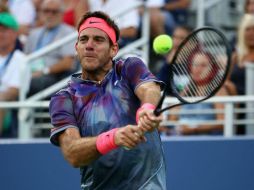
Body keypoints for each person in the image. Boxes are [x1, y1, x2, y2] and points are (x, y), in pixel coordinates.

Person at [49, 11, 166, 189]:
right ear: (76, 47)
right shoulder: (64, 98)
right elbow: (72, 152)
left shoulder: (128, 67)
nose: (89, 45)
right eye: (84, 39)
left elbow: (149, 88)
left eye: (98, 40)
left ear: (114, 49)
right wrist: (113, 138)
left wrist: (148, 108)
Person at [167, 53, 236, 136]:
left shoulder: (219, 90)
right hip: (182, 138)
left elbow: (222, 123)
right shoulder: (187, 90)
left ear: (212, 69)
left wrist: (194, 129)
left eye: (203, 65)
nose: (198, 69)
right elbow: (172, 119)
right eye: (195, 65)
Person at [24, 0, 76, 96]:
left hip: (53, 76)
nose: (50, 14)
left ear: (62, 14)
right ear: (40, 13)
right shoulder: (34, 33)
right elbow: (25, 57)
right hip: (31, 73)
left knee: (27, 83)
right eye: (46, 11)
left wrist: (44, 71)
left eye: (54, 11)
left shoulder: (69, 33)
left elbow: (68, 63)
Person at [0, 12, 30, 137]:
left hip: (7, 110)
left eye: (4, 30)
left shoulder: (21, 59)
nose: (0, 34)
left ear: (15, 34)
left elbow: (14, 91)